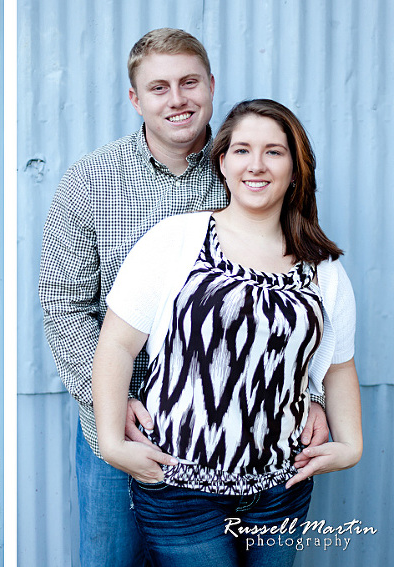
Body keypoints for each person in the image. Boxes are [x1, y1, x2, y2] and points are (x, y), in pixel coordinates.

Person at [39, 29, 328, 566]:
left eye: (189, 82)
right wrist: (113, 403)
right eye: (159, 88)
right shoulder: (89, 180)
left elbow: (303, 294)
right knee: (111, 561)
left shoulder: (247, 170)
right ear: (136, 99)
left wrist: (312, 395)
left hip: (240, 431)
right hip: (124, 423)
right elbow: (64, 304)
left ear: (212, 86)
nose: (177, 100)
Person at [93, 99, 362, 567]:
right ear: (223, 161)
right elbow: (116, 343)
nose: (256, 165)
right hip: (180, 488)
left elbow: (339, 365)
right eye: (242, 150)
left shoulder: (325, 270)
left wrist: (352, 446)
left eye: (274, 152)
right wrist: (112, 443)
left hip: (281, 489)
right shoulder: (177, 239)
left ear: (296, 169)